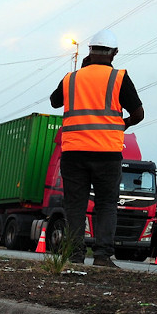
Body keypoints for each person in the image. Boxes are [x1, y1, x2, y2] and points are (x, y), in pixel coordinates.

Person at [49, 29, 144, 268]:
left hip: (74, 153)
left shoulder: (72, 78)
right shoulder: (119, 77)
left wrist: (81, 71)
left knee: (75, 206)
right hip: (107, 153)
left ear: (90, 52)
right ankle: (102, 256)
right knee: (106, 204)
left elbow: (54, 101)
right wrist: (124, 125)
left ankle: (74, 255)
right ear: (114, 53)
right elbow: (138, 113)